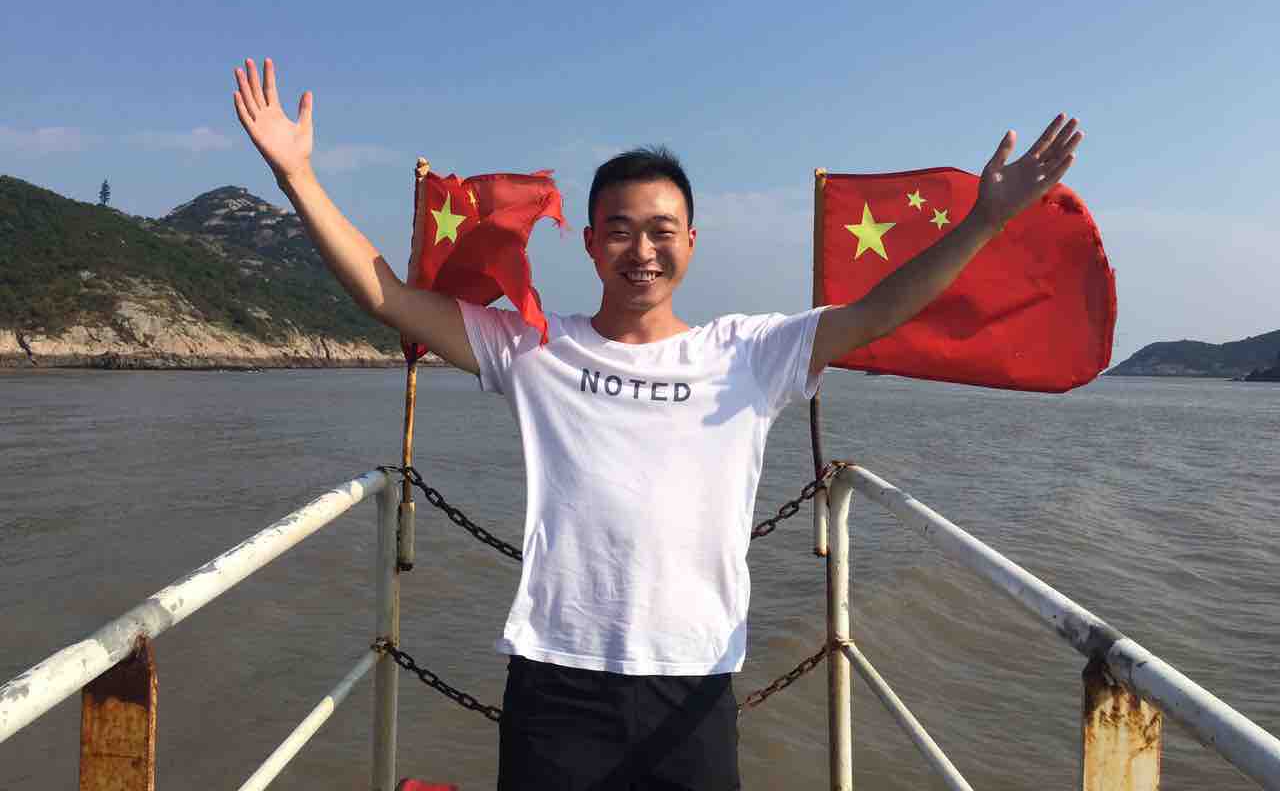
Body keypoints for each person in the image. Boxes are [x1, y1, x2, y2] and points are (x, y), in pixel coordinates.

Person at [232, 57, 1081, 790]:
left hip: (695, 680)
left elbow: (879, 311)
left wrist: (984, 220)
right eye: (620, 231)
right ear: (589, 243)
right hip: (557, 677)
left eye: (661, 231)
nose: (642, 250)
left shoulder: (750, 352)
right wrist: (297, 177)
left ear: (692, 242)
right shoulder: (535, 345)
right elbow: (386, 296)